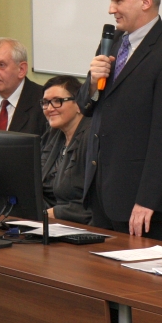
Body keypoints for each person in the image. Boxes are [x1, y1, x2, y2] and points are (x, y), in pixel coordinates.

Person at [77, 0, 162, 242]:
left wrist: (148, 200)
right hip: (100, 193)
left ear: (145, 1)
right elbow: (86, 107)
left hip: (139, 204)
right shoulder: (112, 42)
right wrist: (92, 84)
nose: (111, 9)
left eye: (118, 1)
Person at [39, 76, 92, 224]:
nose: (50, 108)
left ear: (79, 104)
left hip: (81, 225)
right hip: (49, 220)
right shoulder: (53, 133)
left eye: (58, 101)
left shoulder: (92, 138)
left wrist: (55, 213)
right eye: (45, 102)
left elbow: (93, 203)